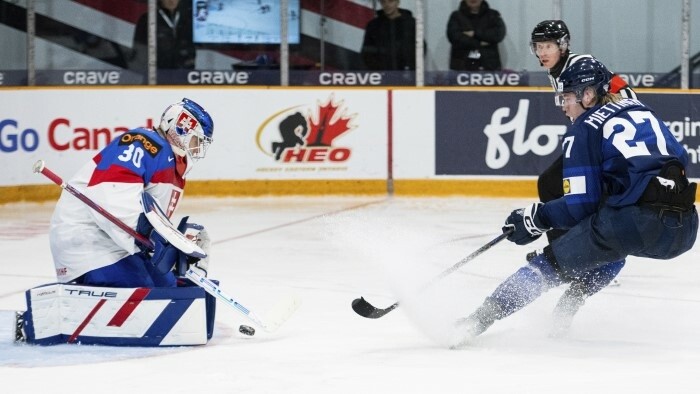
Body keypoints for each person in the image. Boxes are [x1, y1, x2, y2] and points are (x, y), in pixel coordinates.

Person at [451, 59, 698, 346]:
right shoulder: (643, 111)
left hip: (633, 226)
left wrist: (536, 218)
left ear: (588, 95)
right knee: (610, 236)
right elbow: (680, 160)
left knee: (551, 264)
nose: (563, 105)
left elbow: (579, 206)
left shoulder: (584, 128)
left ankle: (476, 321)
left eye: (567, 97)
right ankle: (571, 303)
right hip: (685, 229)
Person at [529, 20, 638, 334]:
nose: (543, 52)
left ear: (563, 45)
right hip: (603, 136)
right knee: (555, 184)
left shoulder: (579, 66)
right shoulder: (562, 72)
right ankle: (569, 251)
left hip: (608, 139)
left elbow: (621, 95)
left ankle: (566, 253)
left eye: (548, 45)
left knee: (553, 184)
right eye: (538, 46)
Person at [49, 98, 214, 288]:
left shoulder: (174, 165)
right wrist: (158, 238)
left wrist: (178, 243)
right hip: (89, 241)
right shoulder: (143, 143)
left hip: (118, 244)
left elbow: (149, 220)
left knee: (172, 290)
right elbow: (110, 195)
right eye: (196, 140)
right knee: (150, 297)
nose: (198, 147)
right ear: (179, 128)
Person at [132, 0, 196, 71]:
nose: (171, 1)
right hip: (156, 75)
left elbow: (197, 48)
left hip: (184, 75)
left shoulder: (189, 19)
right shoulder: (146, 19)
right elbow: (140, 52)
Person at [446, 0, 506, 71]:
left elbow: (498, 34)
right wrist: (480, 43)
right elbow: (455, 37)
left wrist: (475, 33)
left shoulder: (493, 15)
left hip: (489, 67)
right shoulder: (456, 16)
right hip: (461, 67)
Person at [361, 0, 417, 71]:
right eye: (383, 2)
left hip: (408, 75)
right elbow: (367, 52)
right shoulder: (373, 25)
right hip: (381, 76)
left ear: (398, 2)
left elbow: (420, 48)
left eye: (390, 1)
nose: (387, 5)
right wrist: (377, 71)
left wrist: (410, 67)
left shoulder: (411, 23)